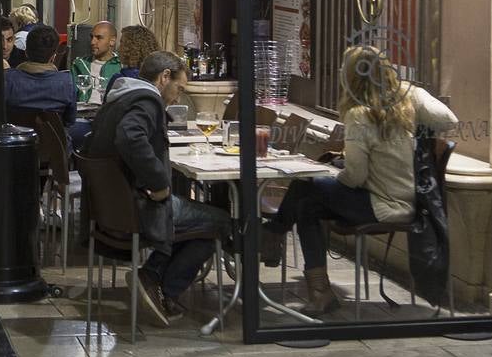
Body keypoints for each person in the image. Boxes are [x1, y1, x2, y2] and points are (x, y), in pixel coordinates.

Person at [262, 45, 458, 314]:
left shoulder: (359, 115)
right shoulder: (409, 97)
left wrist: (333, 174)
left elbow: (355, 177)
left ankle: (273, 235)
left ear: (351, 77)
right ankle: (318, 290)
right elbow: (449, 120)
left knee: (305, 183)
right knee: (307, 205)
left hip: (381, 204)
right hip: (408, 200)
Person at [86, 51, 232, 327]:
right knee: (220, 221)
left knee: (198, 219)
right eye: (179, 88)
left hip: (113, 207)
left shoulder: (121, 96)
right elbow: (130, 136)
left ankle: (155, 279)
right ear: (165, 77)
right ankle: (158, 283)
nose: (178, 97)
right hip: (139, 208)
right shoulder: (147, 100)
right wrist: (159, 183)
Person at [0, 25, 84, 147]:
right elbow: (69, 121)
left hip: (11, 149)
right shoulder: (66, 82)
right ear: (53, 56)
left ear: (26, 52)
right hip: (54, 151)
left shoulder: (6, 79)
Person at [71, 20, 122, 103]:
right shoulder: (79, 64)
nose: (92, 42)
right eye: (91, 37)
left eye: (99, 38)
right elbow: (71, 94)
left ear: (112, 41)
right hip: (83, 109)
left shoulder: (121, 65)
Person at [105, 25, 159, 94]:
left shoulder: (120, 80)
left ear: (131, 48)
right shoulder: (157, 79)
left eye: (122, 43)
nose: (118, 49)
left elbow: (108, 100)